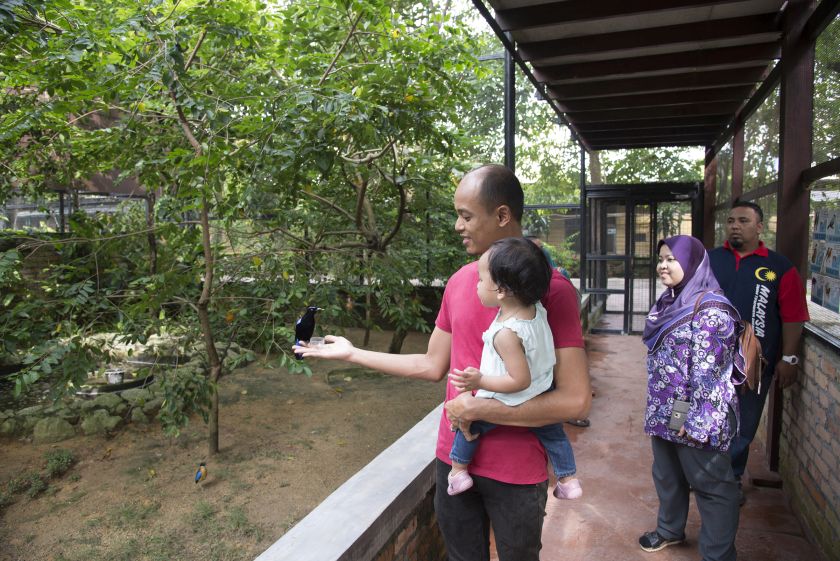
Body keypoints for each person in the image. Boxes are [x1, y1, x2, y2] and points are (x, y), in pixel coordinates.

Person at [294, 164, 591, 561]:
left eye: (466, 216)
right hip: (454, 460)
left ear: (502, 216)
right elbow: (433, 365)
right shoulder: (459, 282)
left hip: (518, 471)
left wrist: (479, 408)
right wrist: (352, 353)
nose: (457, 226)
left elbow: (575, 401)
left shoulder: (552, 291)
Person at [447, 237, 582, 501]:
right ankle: (568, 479)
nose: (476, 285)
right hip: (543, 388)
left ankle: (458, 471)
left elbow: (518, 380)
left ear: (501, 290)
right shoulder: (536, 309)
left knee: (468, 423)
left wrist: (480, 381)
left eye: (481, 280)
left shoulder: (505, 334)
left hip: (514, 395)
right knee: (554, 434)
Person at [639, 235, 742, 561]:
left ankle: (718, 554)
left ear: (693, 262)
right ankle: (670, 529)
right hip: (666, 408)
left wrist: (692, 419)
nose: (663, 265)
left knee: (712, 485)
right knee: (667, 475)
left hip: (695, 412)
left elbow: (711, 376)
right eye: (661, 259)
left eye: (671, 259)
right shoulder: (671, 301)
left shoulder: (712, 311)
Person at [708, 201, 809, 505]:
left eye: (743, 220)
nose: (735, 226)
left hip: (754, 365)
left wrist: (789, 358)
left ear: (760, 227)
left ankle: (731, 479)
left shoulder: (780, 268)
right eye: (730, 221)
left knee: (743, 424)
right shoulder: (710, 260)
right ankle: (703, 474)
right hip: (708, 360)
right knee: (708, 417)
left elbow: (793, 316)